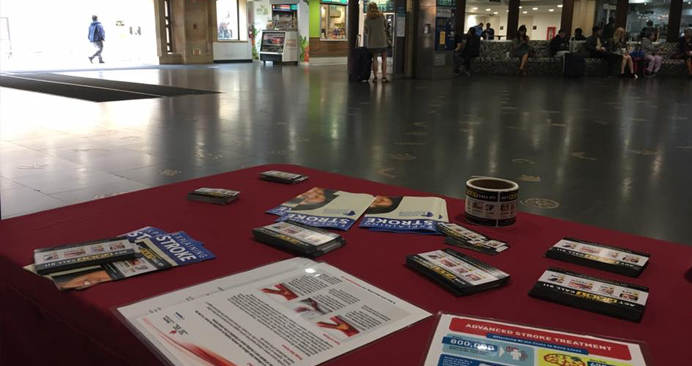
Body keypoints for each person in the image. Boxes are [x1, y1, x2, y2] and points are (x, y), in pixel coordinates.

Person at [364, 3, 389, 83]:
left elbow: (366, 32)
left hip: (372, 41)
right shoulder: (382, 16)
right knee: (384, 58)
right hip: (382, 40)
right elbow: (385, 27)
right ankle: (384, 77)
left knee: (374, 58)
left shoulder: (367, 19)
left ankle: (375, 77)